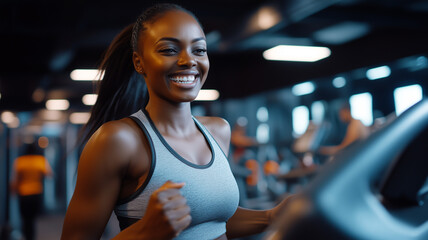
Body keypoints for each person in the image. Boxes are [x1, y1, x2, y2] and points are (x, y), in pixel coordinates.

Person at [61, 3, 292, 240]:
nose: (188, 60)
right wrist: (144, 231)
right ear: (139, 62)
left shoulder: (218, 130)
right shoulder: (118, 140)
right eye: (169, 50)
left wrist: (271, 217)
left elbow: (214, 221)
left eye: (199, 50)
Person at [11, 143, 53, 240]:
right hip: (36, 192)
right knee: (32, 218)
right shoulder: (40, 160)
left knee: (25, 218)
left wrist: (13, 191)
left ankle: (26, 235)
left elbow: (15, 179)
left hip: (23, 193)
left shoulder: (19, 161)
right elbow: (49, 174)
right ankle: (31, 236)